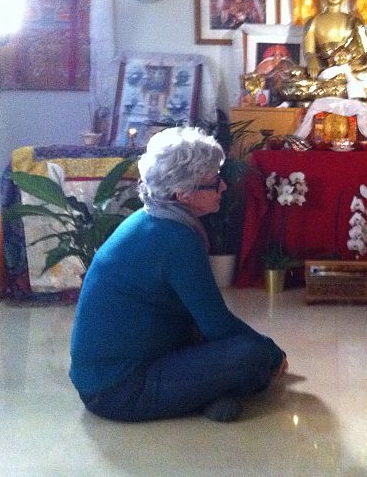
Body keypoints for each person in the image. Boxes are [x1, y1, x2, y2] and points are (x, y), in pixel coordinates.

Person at [69, 127, 287, 422]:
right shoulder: (174, 238)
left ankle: (204, 394)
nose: (223, 187)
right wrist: (273, 353)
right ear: (183, 194)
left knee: (226, 346)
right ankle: (206, 394)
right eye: (214, 182)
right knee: (252, 356)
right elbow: (217, 325)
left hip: (110, 377)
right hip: (119, 390)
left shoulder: (151, 219)